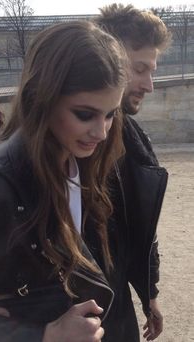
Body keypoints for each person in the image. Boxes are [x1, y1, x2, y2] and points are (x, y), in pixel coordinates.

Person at [0, 21, 128, 341]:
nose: (102, 132)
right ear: (43, 99)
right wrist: (45, 334)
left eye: (110, 114)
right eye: (85, 114)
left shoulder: (73, 159)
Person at [95, 4, 171, 341]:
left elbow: (142, 226)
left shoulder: (132, 138)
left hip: (117, 308)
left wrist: (148, 293)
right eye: (139, 69)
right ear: (104, 58)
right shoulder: (56, 144)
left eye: (151, 70)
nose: (150, 85)